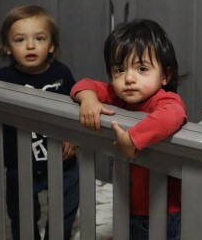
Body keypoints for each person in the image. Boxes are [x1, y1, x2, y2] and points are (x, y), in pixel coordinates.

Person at [72, 19, 187, 240]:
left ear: (166, 76)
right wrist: (88, 99)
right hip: (127, 204)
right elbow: (84, 84)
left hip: (162, 210)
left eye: (142, 69)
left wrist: (133, 139)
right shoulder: (117, 96)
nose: (129, 78)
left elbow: (173, 115)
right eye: (120, 69)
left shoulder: (164, 100)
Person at [0, 5, 79, 240]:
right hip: (21, 165)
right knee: (23, 217)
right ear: (7, 47)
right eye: (20, 40)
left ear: (52, 46)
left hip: (62, 162)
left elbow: (76, 107)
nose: (30, 45)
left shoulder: (62, 74)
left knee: (65, 211)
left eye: (39, 38)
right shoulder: (0, 80)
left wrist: (72, 136)